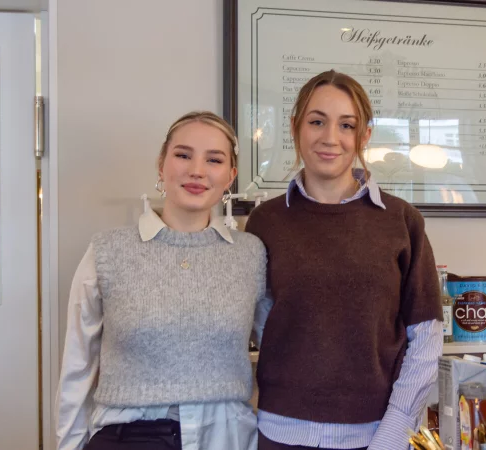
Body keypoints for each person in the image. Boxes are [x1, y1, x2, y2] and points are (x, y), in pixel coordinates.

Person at [246, 70, 444, 450]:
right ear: (296, 128)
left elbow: (426, 338)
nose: (330, 137)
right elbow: (258, 321)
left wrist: (393, 434)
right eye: (317, 121)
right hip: (279, 434)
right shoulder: (265, 221)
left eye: (346, 125)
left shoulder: (402, 221)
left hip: (376, 437)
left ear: (364, 135)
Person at [56, 111, 267, 450]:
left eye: (214, 160)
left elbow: (280, 349)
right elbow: (77, 365)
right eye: (183, 155)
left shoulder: (251, 254)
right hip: (128, 434)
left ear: (230, 176)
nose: (197, 170)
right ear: (161, 164)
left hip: (226, 435)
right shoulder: (108, 251)